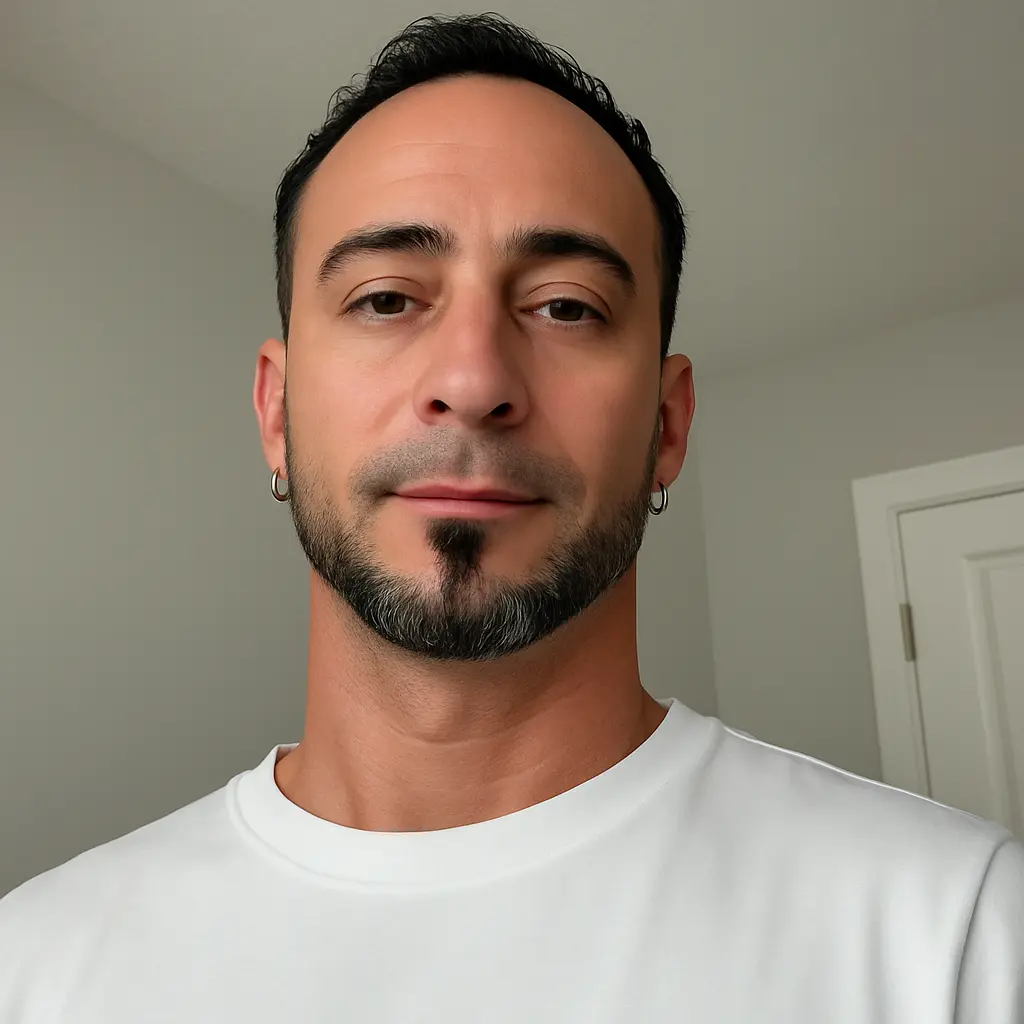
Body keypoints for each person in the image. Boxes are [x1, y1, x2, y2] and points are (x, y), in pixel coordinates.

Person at [1, 12, 1021, 1022]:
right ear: (276, 413)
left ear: (667, 425)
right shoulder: (33, 967)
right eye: (387, 298)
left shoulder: (961, 936)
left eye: (566, 306)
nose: (473, 379)